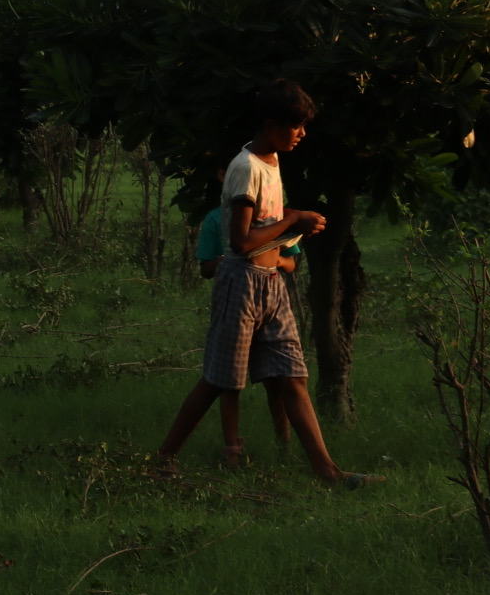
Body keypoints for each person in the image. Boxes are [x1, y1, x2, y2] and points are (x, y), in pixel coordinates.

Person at [157, 79, 379, 488]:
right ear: (271, 123)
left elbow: (264, 224)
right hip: (241, 282)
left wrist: (293, 219)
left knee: (293, 375)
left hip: (271, 281)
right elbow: (240, 242)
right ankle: (164, 459)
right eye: (296, 126)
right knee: (218, 379)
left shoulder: (272, 161)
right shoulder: (245, 168)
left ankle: (327, 472)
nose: (302, 134)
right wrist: (294, 219)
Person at [193, 205, 298, 466]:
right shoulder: (216, 218)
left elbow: (290, 262)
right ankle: (233, 450)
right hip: (237, 294)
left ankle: (284, 446)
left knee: (279, 378)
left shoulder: (274, 217)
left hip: (270, 296)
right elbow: (205, 268)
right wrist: (225, 261)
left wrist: (278, 260)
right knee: (230, 379)